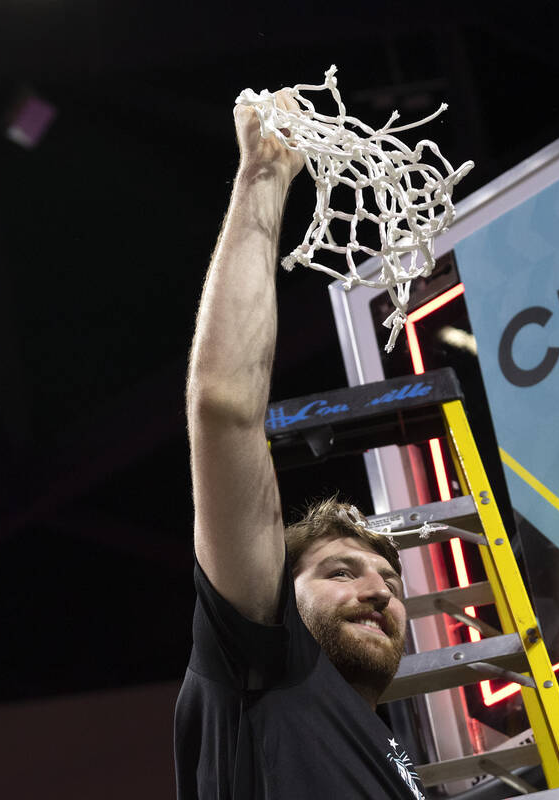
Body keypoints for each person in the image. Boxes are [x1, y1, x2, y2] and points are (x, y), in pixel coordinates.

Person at [174, 92, 427, 799]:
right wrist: (264, 175)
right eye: (341, 570)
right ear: (278, 597)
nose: (379, 590)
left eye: (392, 583)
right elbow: (223, 408)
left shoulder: (389, 762)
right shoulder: (261, 659)